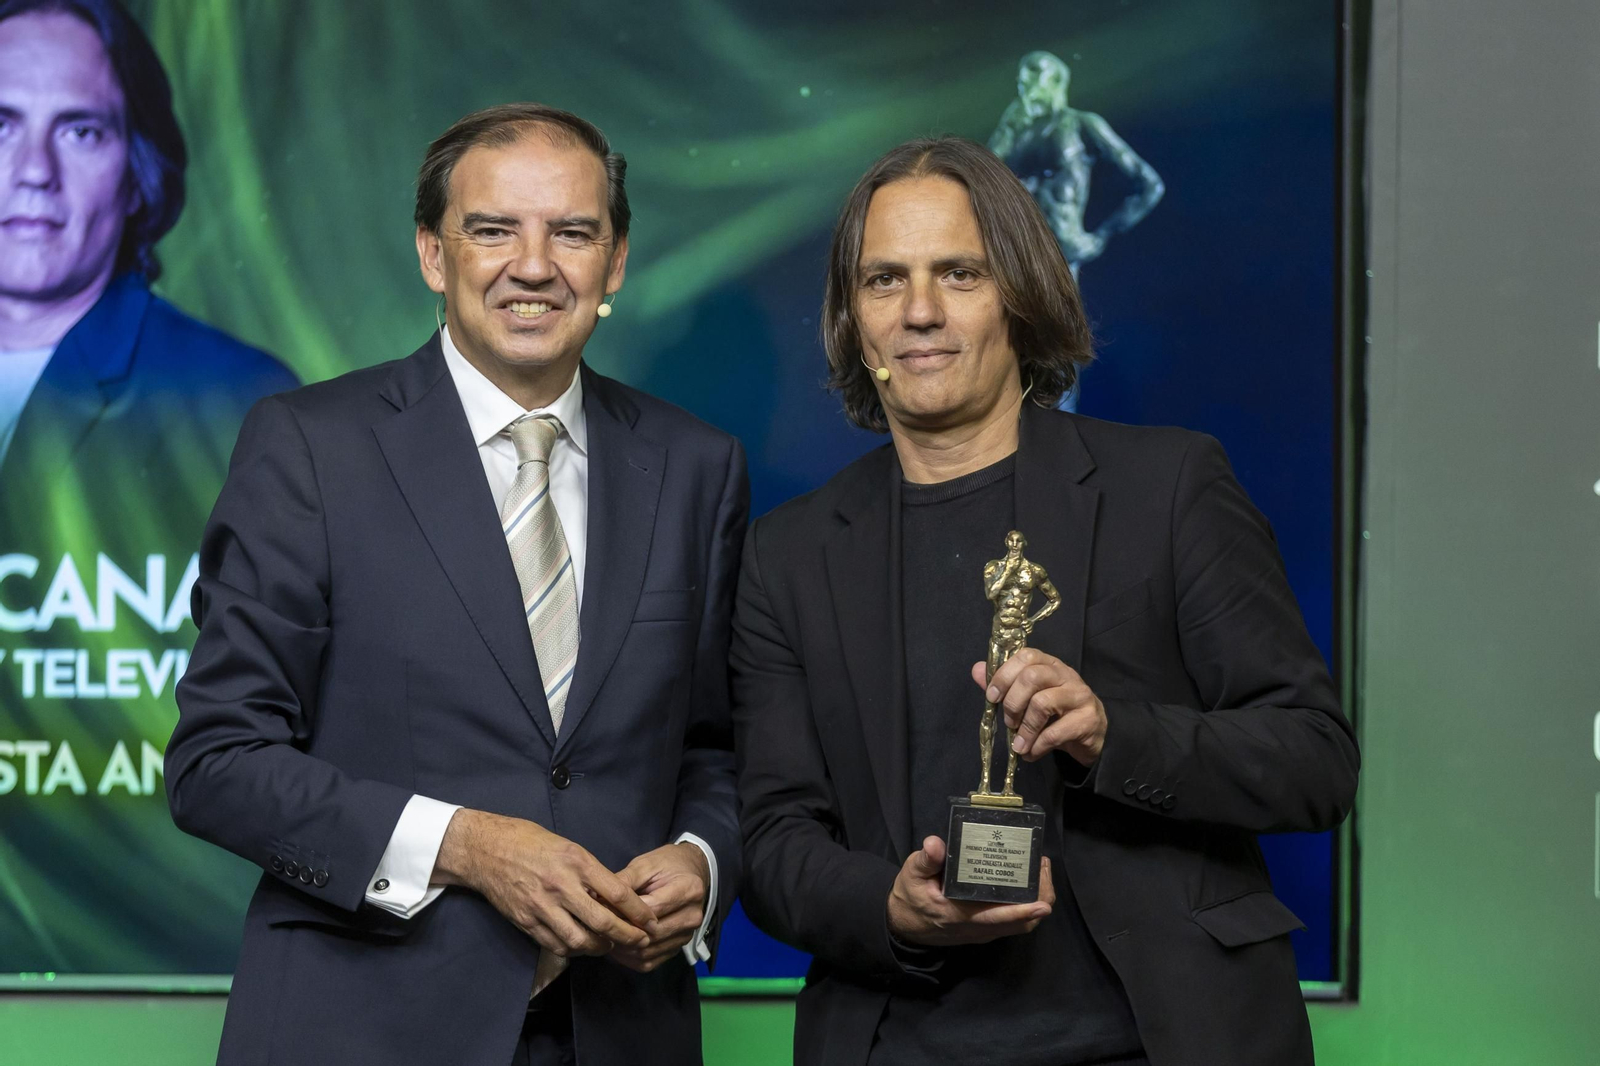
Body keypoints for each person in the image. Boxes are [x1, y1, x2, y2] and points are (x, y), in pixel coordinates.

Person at [731, 136, 1358, 1066]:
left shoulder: (1169, 485)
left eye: (960, 272)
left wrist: (1115, 736)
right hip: (900, 1038)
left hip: (1163, 1038)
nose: (922, 311)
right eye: (884, 281)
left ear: (1019, 296)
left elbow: (1315, 760)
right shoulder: (789, 553)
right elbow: (777, 842)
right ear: (852, 323)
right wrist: (892, 910)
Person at [167, 103, 747, 1066]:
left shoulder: (695, 466)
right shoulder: (311, 447)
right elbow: (217, 761)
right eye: (492, 230)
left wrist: (700, 862)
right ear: (435, 256)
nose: (533, 265)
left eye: (572, 232)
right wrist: (467, 845)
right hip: (361, 1031)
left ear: (616, 262)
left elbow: (713, 751)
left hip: (620, 1031)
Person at [0, 0, 295, 970]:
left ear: (136, 172)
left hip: (155, 962)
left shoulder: (243, 407)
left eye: (78, 129)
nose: (30, 173)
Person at [988, 51, 1164, 280]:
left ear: (1056, 79)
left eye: (1034, 70)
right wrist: (1007, 126)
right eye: (1022, 72)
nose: (1023, 77)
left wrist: (1104, 234)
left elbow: (1149, 183)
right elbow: (981, 178)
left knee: (1057, 313)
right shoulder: (1015, 132)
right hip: (1014, 255)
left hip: (1063, 250)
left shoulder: (1081, 124)